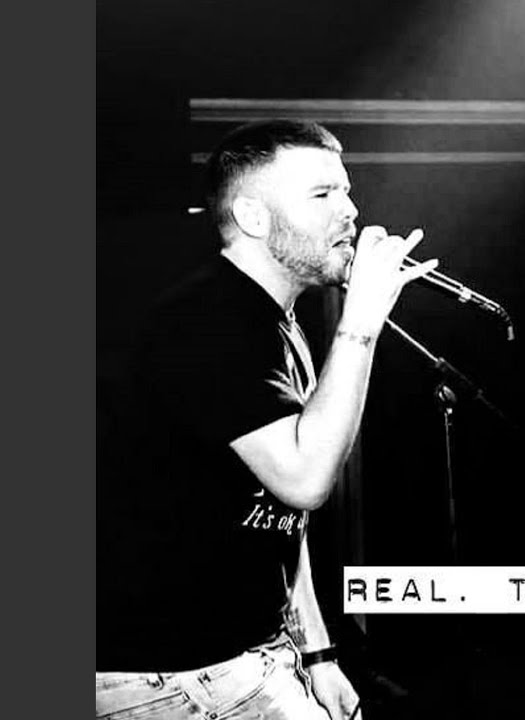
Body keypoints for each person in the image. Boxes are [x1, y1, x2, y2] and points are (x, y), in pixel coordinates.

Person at [97, 120, 438, 720]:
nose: (350, 211)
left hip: (250, 652)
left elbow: (278, 520)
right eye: (322, 194)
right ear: (253, 217)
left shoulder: (273, 322)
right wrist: (361, 322)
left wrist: (318, 653)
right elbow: (304, 480)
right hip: (171, 674)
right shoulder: (206, 325)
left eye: (346, 191)